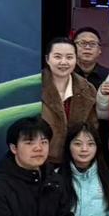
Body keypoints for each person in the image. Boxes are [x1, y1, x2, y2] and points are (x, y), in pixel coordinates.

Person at [42, 37, 99, 165]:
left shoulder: (88, 89)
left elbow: (92, 128)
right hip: (42, 160)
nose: (64, 62)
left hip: (75, 162)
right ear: (47, 59)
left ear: (76, 59)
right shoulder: (34, 85)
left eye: (69, 57)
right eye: (57, 57)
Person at [73, 27, 109, 91]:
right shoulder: (66, 74)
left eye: (92, 44)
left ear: (99, 50)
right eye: (82, 43)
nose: (87, 47)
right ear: (73, 47)